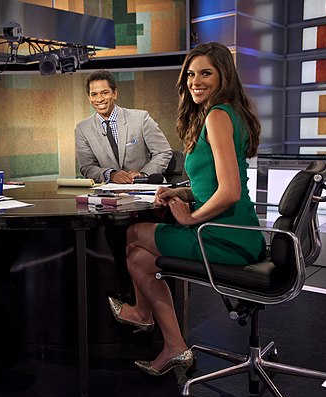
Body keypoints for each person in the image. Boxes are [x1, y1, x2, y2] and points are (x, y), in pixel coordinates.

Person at [107, 42, 266, 376]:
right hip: (241, 234)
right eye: (191, 74)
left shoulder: (218, 115)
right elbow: (213, 183)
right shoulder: (224, 112)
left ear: (224, 75)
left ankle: (141, 315)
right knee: (138, 259)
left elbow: (230, 191)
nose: (196, 80)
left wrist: (190, 217)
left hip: (224, 237)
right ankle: (174, 345)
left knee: (135, 233)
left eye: (206, 73)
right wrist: (179, 191)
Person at [75, 69, 173, 183]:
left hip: (144, 187)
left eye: (104, 92)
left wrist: (144, 174)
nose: (99, 99)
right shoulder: (83, 129)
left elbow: (163, 152)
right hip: (109, 192)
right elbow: (87, 167)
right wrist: (111, 174)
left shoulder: (141, 118)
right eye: (94, 94)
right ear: (89, 98)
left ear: (115, 94)